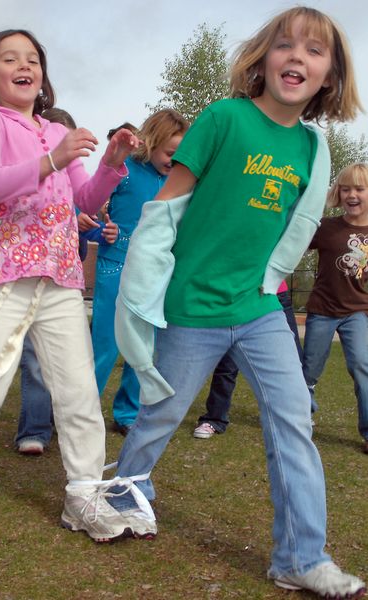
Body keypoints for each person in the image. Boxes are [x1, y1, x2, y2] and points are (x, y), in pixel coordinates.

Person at [108, 7, 367, 597]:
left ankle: (300, 557)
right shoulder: (223, 118)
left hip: (259, 310)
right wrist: (142, 292)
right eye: (285, 45)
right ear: (263, 58)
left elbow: (298, 227)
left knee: (295, 419)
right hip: (191, 308)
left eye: (314, 50)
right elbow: (163, 212)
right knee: (161, 413)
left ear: (330, 75)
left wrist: (270, 279)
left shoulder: (310, 146)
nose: (297, 56)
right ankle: (124, 496)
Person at [0, 28, 143, 543]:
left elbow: (84, 201)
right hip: (5, 276)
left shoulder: (53, 130)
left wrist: (109, 165)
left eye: (33, 59)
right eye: (10, 58)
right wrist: (55, 159)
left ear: (43, 74)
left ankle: (83, 493)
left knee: (80, 392)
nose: (25, 66)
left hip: (61, 277)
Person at [15, 107, 119, 455]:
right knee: (32, 358)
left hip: (64, 284)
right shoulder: (30, 178)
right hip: (29, 278)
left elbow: (81, 250)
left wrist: (92, 229)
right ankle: (34, 429)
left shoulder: (77, 189)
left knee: (72, 361)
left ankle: (68, 427)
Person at [91, 109, 189, 436]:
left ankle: (128, 413)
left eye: (181, 156)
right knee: (105, 343)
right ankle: (81, 411)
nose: (174, 162)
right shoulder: (125, 172)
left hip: (155, 275)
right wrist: (99, 227)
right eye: (170, 154)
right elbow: (86, 203)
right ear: (152, 143)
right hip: (115, 267)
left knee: (145, 347)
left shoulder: (180, 181)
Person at [303, 162, 368, 456]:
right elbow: (294, 240)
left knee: (362, 367)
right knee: (309, 371)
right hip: (322, 310)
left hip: (358, 312)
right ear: (338, 193)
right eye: (346, 189)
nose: (352, 194)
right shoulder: (327, 229)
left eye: (359, 189)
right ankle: (302, 420)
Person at [194, 281, 303, 438]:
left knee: (293, 361)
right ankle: (215, 418)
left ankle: (296, 419)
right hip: (242, 296)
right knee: (227, 364)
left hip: (275, 294)